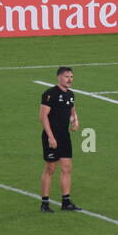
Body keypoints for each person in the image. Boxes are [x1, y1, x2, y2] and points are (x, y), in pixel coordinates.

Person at [39, 66, 80, 213]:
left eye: (71, 77)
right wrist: (50, 136)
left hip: (64, 136)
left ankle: (66, 202)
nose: (69, 79)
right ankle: (45, 203)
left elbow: (71, 110)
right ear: (59, 78)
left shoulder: (70, 95)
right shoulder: (50, 94)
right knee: (50, 168)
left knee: (67, 168)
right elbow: (43, 116)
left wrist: (74, 121)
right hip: (52, 136)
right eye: (67, 77)